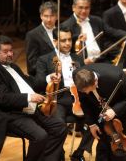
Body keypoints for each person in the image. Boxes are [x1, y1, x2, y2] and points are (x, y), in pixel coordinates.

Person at [0, 35, 66, 161]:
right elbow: (3, 98)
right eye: (5, 52)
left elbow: (30, 82)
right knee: (40, 136)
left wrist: (49, 78)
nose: (10, 54)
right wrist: (29, 97)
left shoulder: (13, 66)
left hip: (29, 110)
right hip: (10, 115)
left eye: (11, 50)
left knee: (59, 127)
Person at [36, 28, 94, 161]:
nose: (68, 43)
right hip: (59, 100)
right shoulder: (44, 59)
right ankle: (58, 154)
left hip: (79, 98)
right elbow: (37, 83)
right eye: (63, 40)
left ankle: (79, 153)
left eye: (69, 40)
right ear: (55, 42)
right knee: (58, 125)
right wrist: (49, 77)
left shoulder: (77, 57)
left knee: (98, 118)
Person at [72, 63, 126, 161]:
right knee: (103, 146)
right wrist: (91, 124)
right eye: (85, 91)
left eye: (90, 90)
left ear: (95, 81)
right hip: (99, 111)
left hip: (122, 109)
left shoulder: (115, 76)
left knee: (120, 148)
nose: (87, 93)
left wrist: (114, 110)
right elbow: (84, 101)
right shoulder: (77, 76)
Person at [60, 0, 126, 65]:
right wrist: (81, 61)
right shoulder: (66, 26)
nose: (84, 11)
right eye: (81, 7)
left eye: (87, 8)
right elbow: (64, 50)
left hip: (101, 60)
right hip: (83, 64)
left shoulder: (96, 20)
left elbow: (112, 32)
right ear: (73, 8)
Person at [25, 1, 58, 76]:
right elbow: (32, 66)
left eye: (52, 16)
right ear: (41, 16)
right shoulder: (32, 35)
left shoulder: (62, 31)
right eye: (46, 16)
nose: (49, 19)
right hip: (45, 77)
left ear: (56, 16)